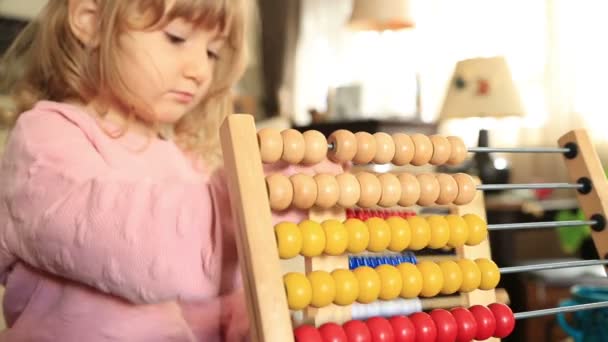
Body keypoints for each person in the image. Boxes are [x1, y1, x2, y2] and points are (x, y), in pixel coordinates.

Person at [0, 0, 340, 341]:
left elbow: (217, 293)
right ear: (90, 21)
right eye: (176, 38)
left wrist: (249, 321)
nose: (200, 71)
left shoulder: (183, 158)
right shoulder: (44, 142)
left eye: (212, 52)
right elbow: (138, 246)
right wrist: (250, 197)